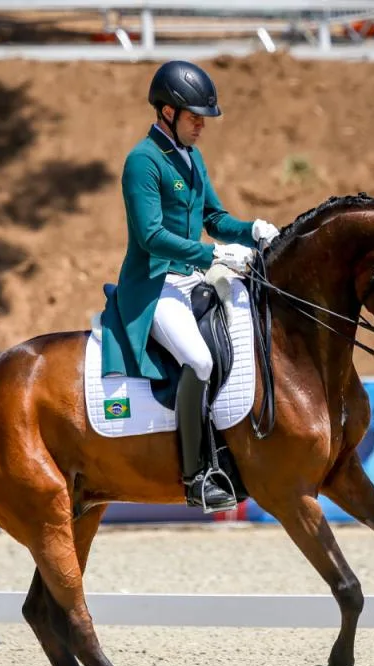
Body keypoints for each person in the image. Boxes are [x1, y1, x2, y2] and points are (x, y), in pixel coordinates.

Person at [99, 60, 280, 513]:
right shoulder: (142, 161)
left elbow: (215, 220)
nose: (202, 125)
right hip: (154, 285)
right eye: (194, 116)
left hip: (193, 278)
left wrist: (253, 229)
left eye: (204, 117)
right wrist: (215, 255)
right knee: (198, 361)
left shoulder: (191, 156)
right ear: (166, 112)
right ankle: (197, 474)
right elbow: (151, 236)